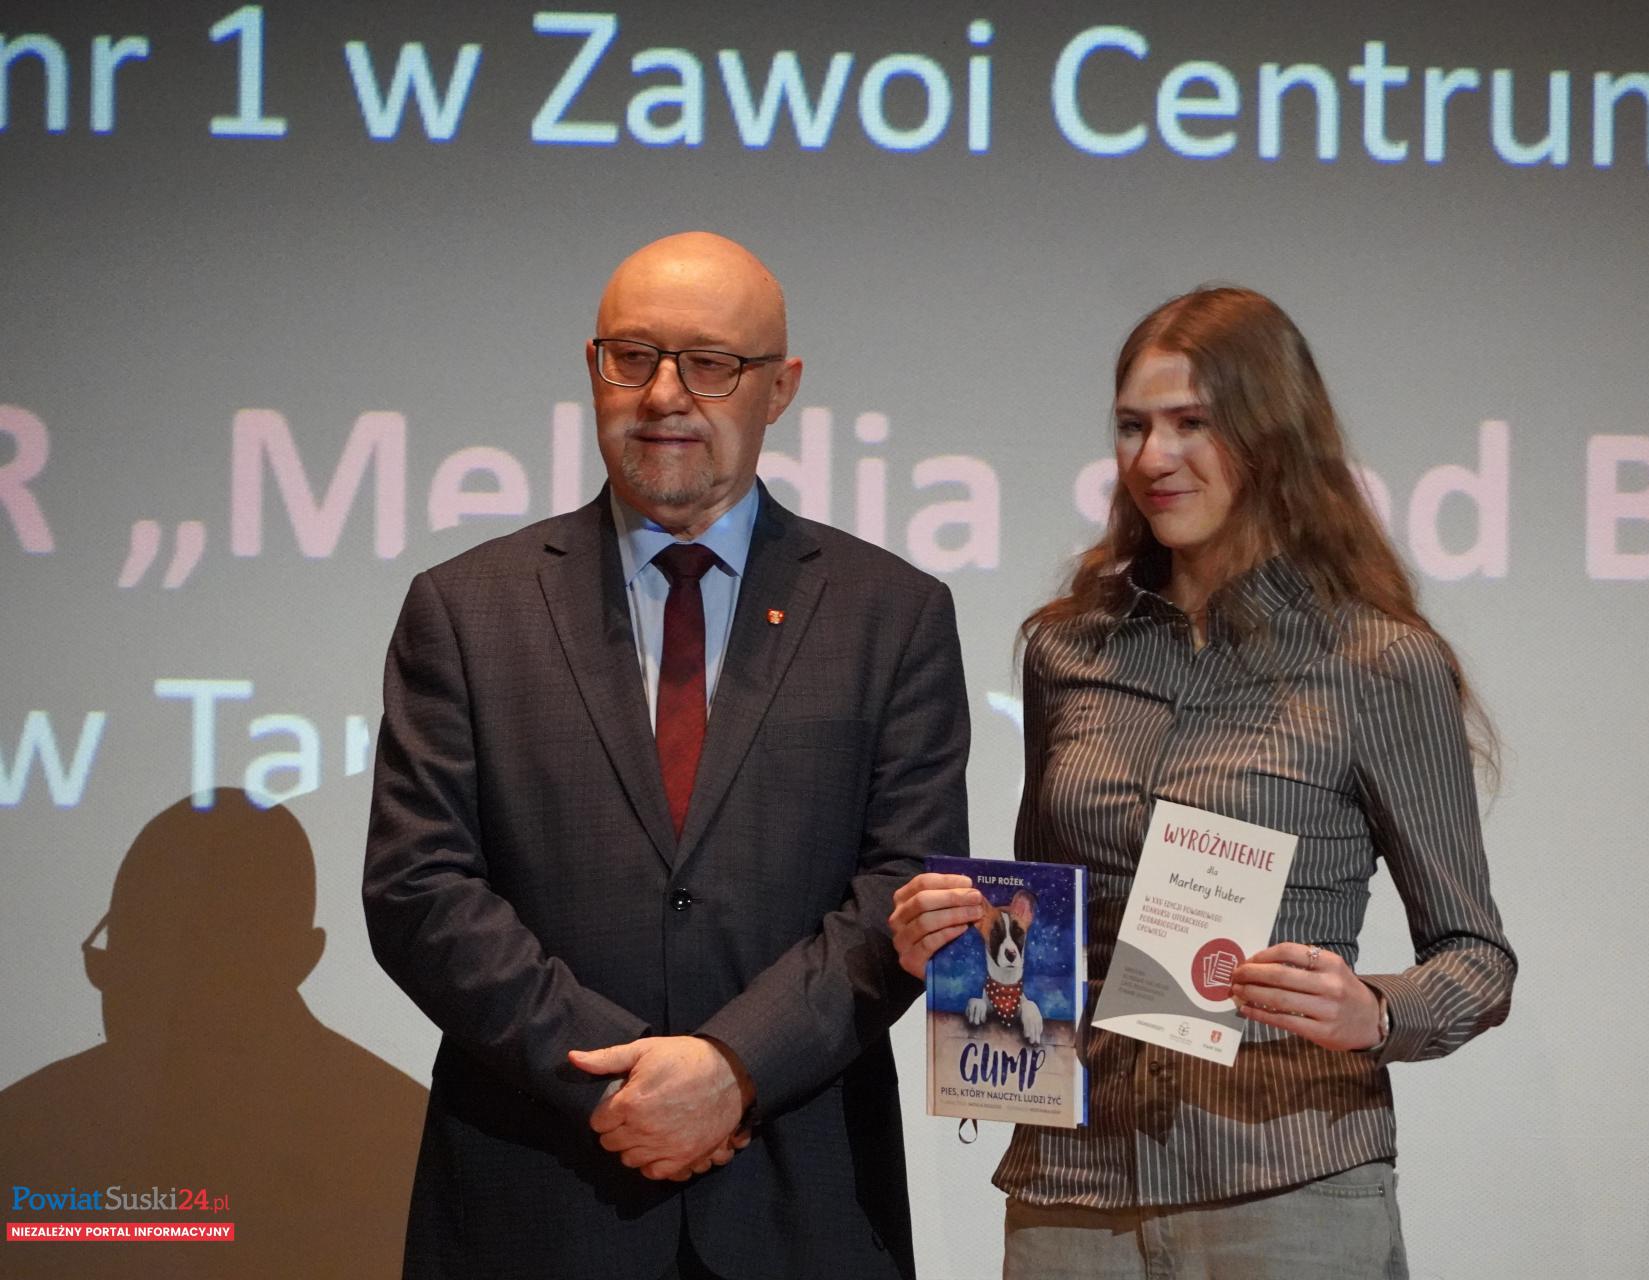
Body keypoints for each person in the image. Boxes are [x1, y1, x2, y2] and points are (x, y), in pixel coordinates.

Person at [364, 231, 969, 1280]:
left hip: (803, 1203)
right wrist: (614, 1080)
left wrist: (734, 1067)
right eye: (632, 357)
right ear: (591, 367)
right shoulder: (465, 609)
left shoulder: (892, 613)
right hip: (537, 1200)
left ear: (780, 388)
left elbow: (903, 890)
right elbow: (420, 890)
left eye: (711, 363)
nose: (663, 394)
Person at [889, 286, 1515, 1278]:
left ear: (1273, 438)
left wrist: (1376, 1011)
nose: (1153, 457)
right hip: (1073, 1190)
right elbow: (1044, 927)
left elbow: (1477, 959)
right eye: (1133, 426)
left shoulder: (1375, 661)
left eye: (1192, 423)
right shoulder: (1066, 649)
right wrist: (952, 942)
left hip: (1285, 1183)